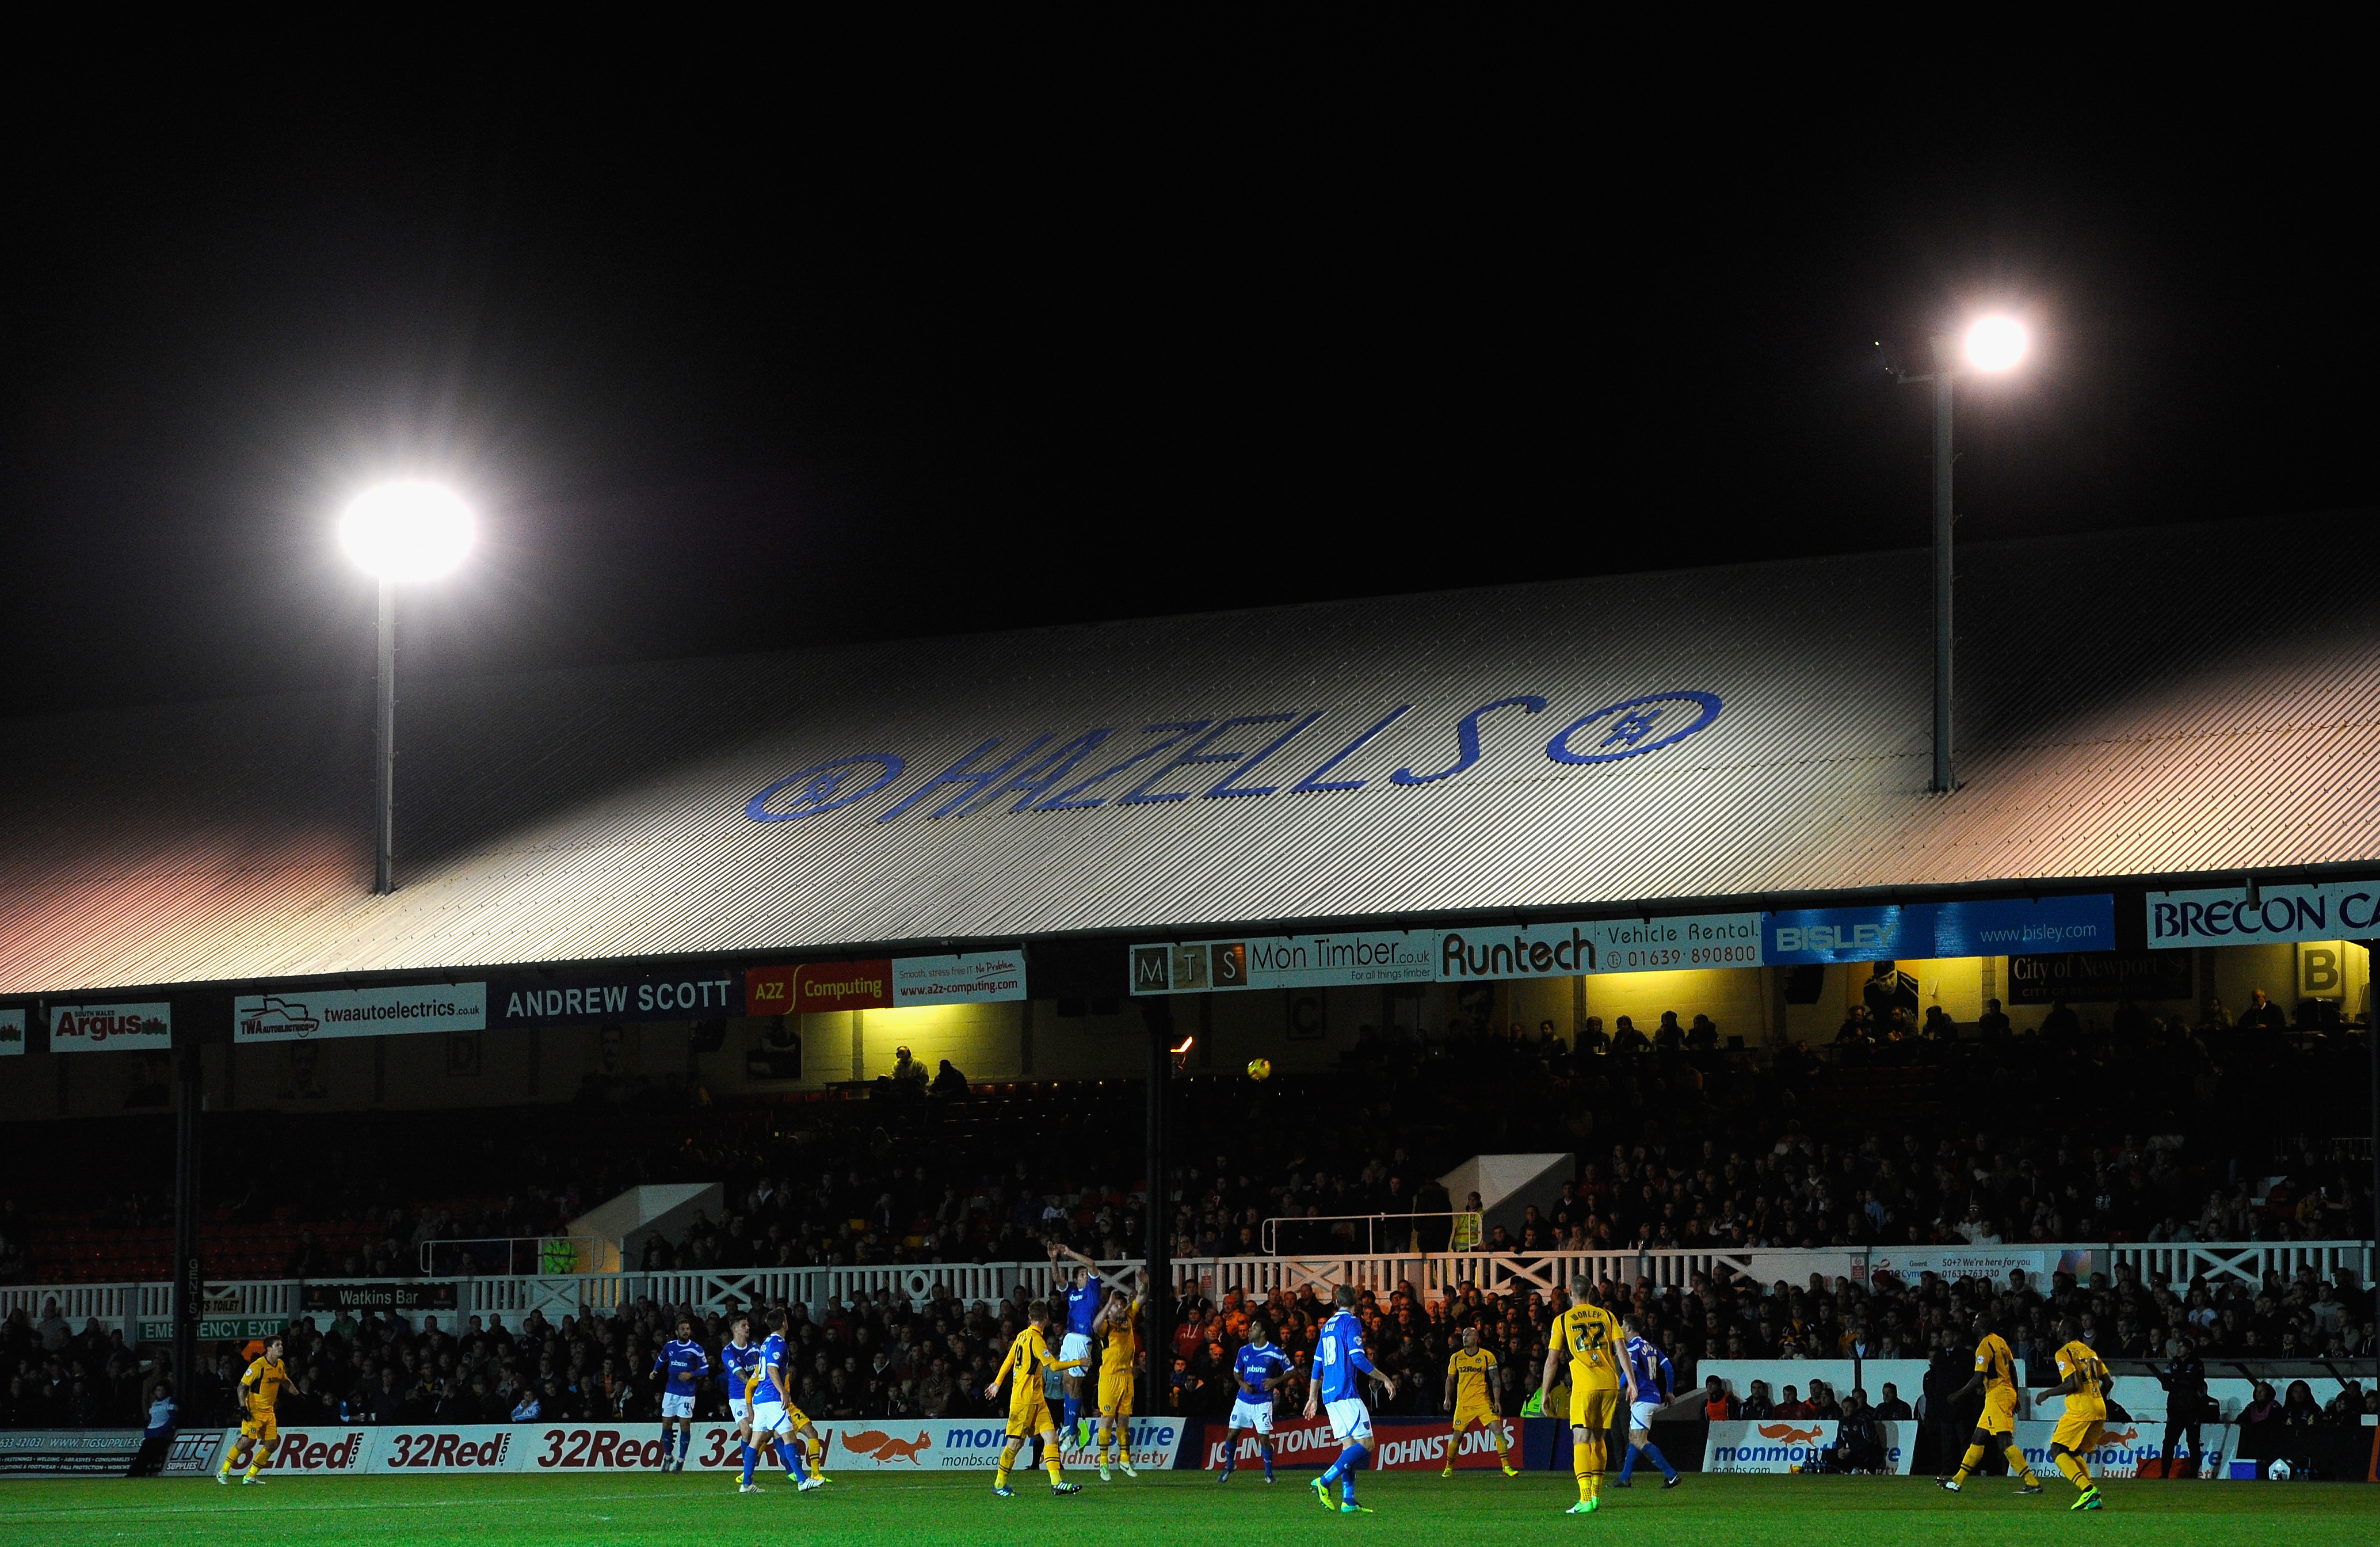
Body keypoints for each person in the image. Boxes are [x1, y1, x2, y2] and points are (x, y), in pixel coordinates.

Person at [1542, 1275, 1635, 1516]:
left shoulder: (1562, 1320)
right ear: (1592, 1292)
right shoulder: (1607, 1316)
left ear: (1571, 1293)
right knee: (1598, 1438)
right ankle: (1595, 1496)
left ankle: (1584, 1499)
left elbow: (1553, 1359)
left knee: (1581, 1439)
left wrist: (1545, 1392)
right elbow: (1622, 1349)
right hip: (1610, 1383)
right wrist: (1632, 1383)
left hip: (1585, 1385)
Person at [1307, 1283, 1397, 1514]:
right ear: (1355, 1303)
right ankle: (1324, 1481)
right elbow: (1358, 1358)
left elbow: (1317, 1365)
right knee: (1367, 1444)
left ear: (1336, 1302)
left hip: (1329, 1395)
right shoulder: (1352, 1322)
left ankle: (1348, 1500)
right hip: (1346, 1393)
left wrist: (1313, 1398)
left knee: (1349, 1448)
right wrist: (1384, 1377)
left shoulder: (1326, 1327)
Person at [983, 1298, 1086, 1498]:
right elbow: (1054, 1366)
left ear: (1030, 1317)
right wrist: (1078, 1361)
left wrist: (997, 1382)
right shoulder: (1036, 1340)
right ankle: (999, 1484)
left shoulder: (1021, 1336)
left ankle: (1057, 1483)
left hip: (1036, 1398)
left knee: (1051, 1436)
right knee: (1015, 1443)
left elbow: (1009, 1360)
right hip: (1024, 1399)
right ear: (1046, 1318)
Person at [1936, 1311, 2043, 1495]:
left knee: (2004, 1442)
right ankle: (1957, 1481)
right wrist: (2015, 1395)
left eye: (1976, 1322)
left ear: (1983, 1326)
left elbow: (1979, 1378)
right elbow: (2013, 1371)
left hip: (1997, 1395)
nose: (1973, 1325)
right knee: (1977, 1438)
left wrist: (1959, 1394)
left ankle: (2032, 1482)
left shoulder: (1984, 1346)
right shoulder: (2001, 1342)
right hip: (2002, 1393)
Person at [744, 1310, 823, 1493]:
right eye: (786, 1319)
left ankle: (746, 1484)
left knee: (756, 1441)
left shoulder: (766, 1343)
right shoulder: (779, 1343)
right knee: (789, 1436)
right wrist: (783, 1392)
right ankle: (803, 1480)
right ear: (784, 1323)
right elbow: (772, 1369)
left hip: (760, 1399)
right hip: (772, 1399)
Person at [2036, 1315, 2110, 1511]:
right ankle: (2093, 1497)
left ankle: (2088, 1490)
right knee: (2073, 1452)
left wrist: (2047, 1393)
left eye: (2060, 1330)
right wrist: (2096, 1399)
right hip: (2099, 1408)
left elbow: (2072, 1384)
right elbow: (2109, 1382)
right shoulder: (2091, 1353)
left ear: (2066, 1332)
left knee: (2057, 1450)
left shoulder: (2064, 1353)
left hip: (2081, 1409)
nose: (2057, 1333)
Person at [1220, 1316, 1293, 1484]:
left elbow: (1291, 1370)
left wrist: (1275, 1381)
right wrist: (1242, 1383)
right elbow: (1237, 1372)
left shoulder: (1275, 1351)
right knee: (1231, 1435)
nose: (1249, 1331)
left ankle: (1268, 1473)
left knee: (1264, 1439)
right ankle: (1230, 1465)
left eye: (1253, 1329)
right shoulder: (1244, 1351)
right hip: (1243, 1400)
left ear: (1262, 1333)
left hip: (1263, 1402)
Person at [1440, 1324, 1517, 1479]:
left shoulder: (1487, 1356)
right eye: (1463, 1335)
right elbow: (1451, 1379)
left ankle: (1506, 1466)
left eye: (1468, 1335)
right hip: (1464, 1403)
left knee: (1498, 1430)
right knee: (1458, 1436)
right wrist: (1448, 1398)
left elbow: (1495, 1379)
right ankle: (1448, 1467)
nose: (1465, 1338)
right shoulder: (1456, 1358)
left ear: (1476, 1338)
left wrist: (1497, 1401)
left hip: (1482, 1400)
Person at [1050, 1244, 1105, 1448]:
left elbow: (1091, 1263)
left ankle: (1073, 1430)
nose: (1085, 1275)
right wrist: (1054, 1259)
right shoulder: (1072, 1290)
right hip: (1069, 1339)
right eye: (1082, 1274)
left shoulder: (1093, 1289)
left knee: (1075, 1384)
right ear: (1076, 1279)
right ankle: (1069, 1426)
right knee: (1066, 1382)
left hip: (1083, 1339)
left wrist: (1069, 1252)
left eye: (1085, 1274)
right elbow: (1057, 1279)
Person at [1612, 1314, 1677, 1488]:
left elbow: (1630, 1368)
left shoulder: (1632, 1347)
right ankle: (1625, 1477)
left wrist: (1617, 1386)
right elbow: (1668, 1367)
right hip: (1654, 1395)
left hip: (1643, 1397)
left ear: (1628, 1328)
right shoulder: (1651, 1346)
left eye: (1622, 1324)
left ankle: (1671, 1474)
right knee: (1635, 1437)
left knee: (1640, 1440)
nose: (1620, 1327)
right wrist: (1669, 1391)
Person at [217, 1334, 288, 1486]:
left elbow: (285, 1381)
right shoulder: (257, 1366)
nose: (281, 1347)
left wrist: (298, 1395)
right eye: (277, 1345)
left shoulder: (280, 1365)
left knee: (272, 1445)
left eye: (281, 1344)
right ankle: (223, 1472)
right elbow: (242, 1387)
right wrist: (243, 1408)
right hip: (254, 1410)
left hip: (269, 1412)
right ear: (269, 1349)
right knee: (247, 1440)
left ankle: (250, 1475)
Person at [1093, 1282, 1143, 1481]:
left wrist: (1145, 1283)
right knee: (1107, 1419)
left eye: (1121, 1305)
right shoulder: (1106, 1327)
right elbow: (1095, 1325)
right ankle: (1103, 1463)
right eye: (1116, 1306)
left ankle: (1124, 1459)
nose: (1120, 1308)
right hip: (1109, 1378)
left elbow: (1143, 1296)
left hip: (1126, 1377)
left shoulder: (1128, 1319)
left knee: (1124, 1421)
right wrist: (1108, 1304)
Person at [651, 1314, 711, 1473]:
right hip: (671, 1391)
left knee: (685, 1425)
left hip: (687, 1392)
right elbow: (662, 1360)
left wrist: (691, 1375)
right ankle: (668, 1456)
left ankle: (681, 1459)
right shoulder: (670, 1346)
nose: (686, 1332)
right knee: (666, 1424)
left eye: (688, 1329)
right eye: (683, 1329)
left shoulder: (696, 1349)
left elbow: (706, 1368)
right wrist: (655, 1371)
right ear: (677, 1332)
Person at [2156, 1335, 2210, 1480]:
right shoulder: (2173, 1363)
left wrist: (2176, 1380)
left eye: (2182, 1347)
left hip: (2192, 1409)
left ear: (2189, 1349)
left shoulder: (2197, 1364)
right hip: (2175, 1409)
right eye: (2178, 1346)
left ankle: (2193, 1475)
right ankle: (2165, 1474)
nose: (2178, 1349)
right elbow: (2165, 1384)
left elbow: (2193, 1382)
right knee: (2168, 1442)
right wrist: (2180, 1380)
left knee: (2192, 1442)